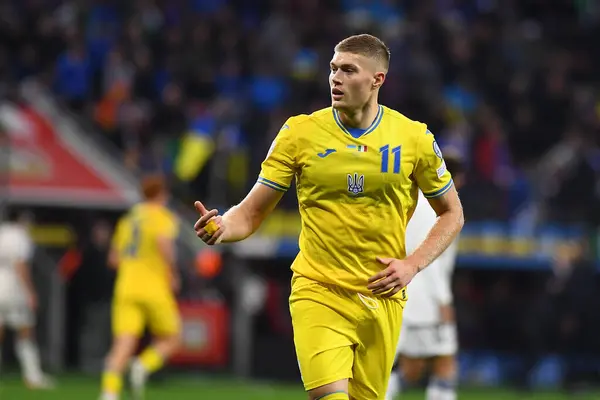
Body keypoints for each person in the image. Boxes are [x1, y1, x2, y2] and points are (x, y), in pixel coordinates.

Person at [194, 34, 464, 400]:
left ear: (376, 80)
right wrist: (224, 226)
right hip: (318, 289)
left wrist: (412, 265)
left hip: (381, 296)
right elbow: (252, 211)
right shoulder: (299, 133)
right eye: (333, 69)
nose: (335, 78)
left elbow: (452, 214)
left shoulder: (413, 138)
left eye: (348, 70)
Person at [386, 153, 466, 400]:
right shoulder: (443, 209)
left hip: (400, 289)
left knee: (408, 367)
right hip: (426, 297)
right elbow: (432, 259)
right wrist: (443, 301)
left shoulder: (413, 199)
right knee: (445, 361)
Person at [99, 175, 181, 400]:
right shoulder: (162, 216)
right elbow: (164, 245)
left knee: (122, 345)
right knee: (172, 339)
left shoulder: (128, 220)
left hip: (126, 287)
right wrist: (173, 274)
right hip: (154, 286)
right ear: (162, 194)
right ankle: (142, 366)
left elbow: (113, 259)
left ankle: (109, 394)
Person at [0, 209, 54, 389]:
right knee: (25, 331)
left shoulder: (2, 233)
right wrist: (30, 291)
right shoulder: (19, 237)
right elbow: (20, 264)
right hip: (14, 289)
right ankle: (33, 376)